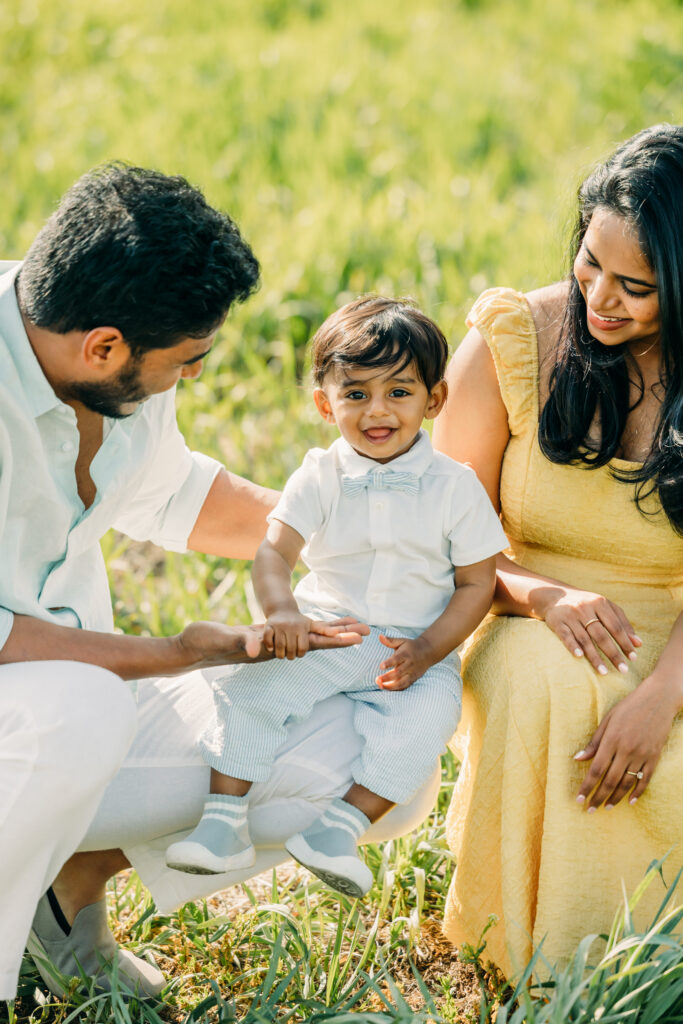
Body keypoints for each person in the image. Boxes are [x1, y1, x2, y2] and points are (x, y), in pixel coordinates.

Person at [0, 165, 438, 1004]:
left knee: (385, 759)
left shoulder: (111, 368)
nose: (193, 377)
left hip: (80, 719)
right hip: (46, 717)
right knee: (79, 707)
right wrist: (171, 652)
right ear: (102, 346)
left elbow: (171, 494)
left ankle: (56, 899)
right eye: (188, 362)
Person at [432, 123, 683, 977]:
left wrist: (660, 697)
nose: (598, 299)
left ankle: (647, 968)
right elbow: (436, 533)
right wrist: (541, 596)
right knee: (542, 682)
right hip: (516, 606)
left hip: (673, 634)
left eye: (634, 286)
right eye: (588, 263)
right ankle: (530, 960)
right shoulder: (516, 336)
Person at [165, 296, 508, 896]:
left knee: (430, 718)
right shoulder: (320, 474)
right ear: (326, 403)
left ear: (435, 400)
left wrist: (430, 650)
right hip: (330, 627)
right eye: (356, 394)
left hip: (412, 644)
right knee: (254, 684)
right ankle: (222, 824)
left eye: (399, 393)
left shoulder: (456, 487)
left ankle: (339, 828)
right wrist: (283, 613)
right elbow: (274, 552)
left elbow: (478, 581)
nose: (377, 411)